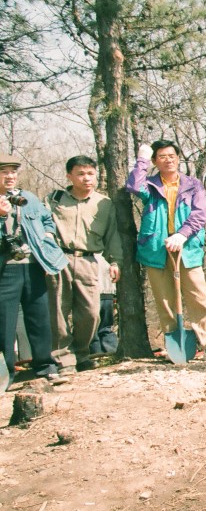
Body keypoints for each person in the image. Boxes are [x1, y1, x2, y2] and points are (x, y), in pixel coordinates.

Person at [126, 140, 206, 362]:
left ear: (178, 158)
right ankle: (174, 342)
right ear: (156, 161)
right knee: (164, 298)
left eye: (172, 155)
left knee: (198, 295)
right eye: (162, 156)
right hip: (156, 248)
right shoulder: (152, 186)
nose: (168, 160)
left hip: (187, 248)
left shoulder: (192, 184)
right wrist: (142, 160)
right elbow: (134, 186)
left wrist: (182, 234)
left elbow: (200, 214)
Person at [46, 155, 122, 372]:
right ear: (69, 176)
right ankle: (63, 358)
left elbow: (112, 236)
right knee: (58, 311)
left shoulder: (104, 204)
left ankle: (81, 353)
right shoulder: (54, 200)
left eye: (90, 173)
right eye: (80, 174)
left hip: (89, 261)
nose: (86, 178)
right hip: (59, 259)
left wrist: (116, 262)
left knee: (91, 312)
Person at [0, 155, 70, 387]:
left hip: (33, 266)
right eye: (4, 172)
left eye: (13, 171)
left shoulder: (27, 198)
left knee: (40, 319)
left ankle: (45, 366)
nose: (10, 176)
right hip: (5, 270)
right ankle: (6, 373)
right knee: (4, 324)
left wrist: (48, 236)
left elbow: (47, 219)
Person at [89, 254, 119, 355]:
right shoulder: (108, 256)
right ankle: (110, 350)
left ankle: (98, 352)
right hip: (107, 291)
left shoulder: (89, 255)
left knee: (94, 327)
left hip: (99, 292)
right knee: (105, 327)